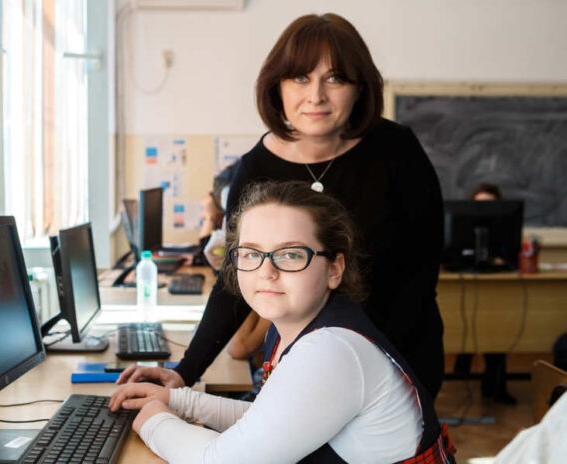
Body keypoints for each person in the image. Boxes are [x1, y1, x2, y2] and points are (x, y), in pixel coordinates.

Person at [117, 13, 446, 399]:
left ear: (360, 89)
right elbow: (235, 279)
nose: (316, 96)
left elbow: (421, 275)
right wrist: (185, 371)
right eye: (300, 78)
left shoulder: (398, 151)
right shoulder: (256, 169)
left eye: (335, 79)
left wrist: (377, 367)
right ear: (278, 87)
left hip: (397, 360)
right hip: (299, 366)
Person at [111, 181, 455, 463]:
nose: (266, 271)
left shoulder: (331, 351)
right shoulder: (293, 326)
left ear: (334, 269)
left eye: (290, 254)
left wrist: (154, 420)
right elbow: (265, 421)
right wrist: (176, 401)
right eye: (251, 253)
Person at [453, 183, 517, 404]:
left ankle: (495, 381)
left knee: (498, 322)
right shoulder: (460, 231)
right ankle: (464, 358)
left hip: (496, 289)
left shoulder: (504, 232)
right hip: (464, 287)